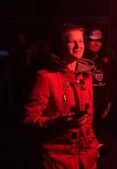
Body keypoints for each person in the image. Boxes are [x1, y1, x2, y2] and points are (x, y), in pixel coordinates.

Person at [22, 23, 99, 168]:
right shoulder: (46, 77)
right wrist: (60, 123)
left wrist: (94, 144)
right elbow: (29, 119)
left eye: (81, 41)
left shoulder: (86, 76)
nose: (78, 46)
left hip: (87, 156)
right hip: (59, 159)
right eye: (72, 41)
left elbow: (89, 119)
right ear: (60, 45)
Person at [84, 28, 113, 152]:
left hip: (101, 104)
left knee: (98, 134)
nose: (97, 44)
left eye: (99, 41)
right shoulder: (81, 59)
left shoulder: (104, 60)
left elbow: (110, 82)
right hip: (85, 104)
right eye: (93, 41)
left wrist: (109, 102)